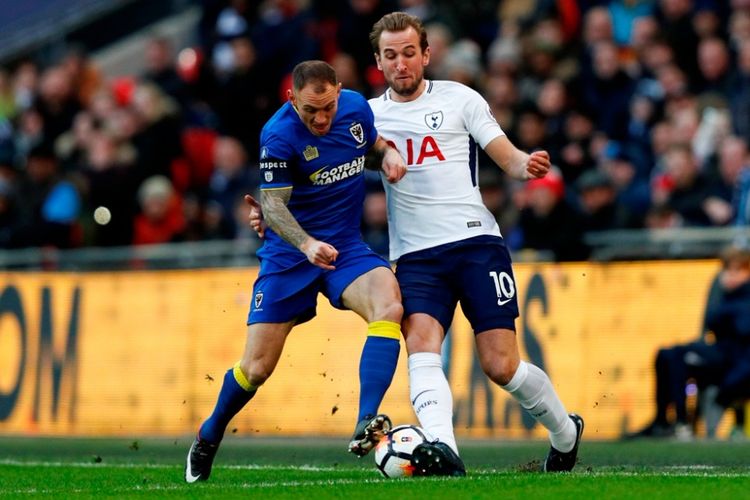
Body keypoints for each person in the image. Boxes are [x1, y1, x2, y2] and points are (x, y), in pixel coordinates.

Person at [249, 13, 583, 476]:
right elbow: (308, 178)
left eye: (409, 53)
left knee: (501, 365)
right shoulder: (359, 114)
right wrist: (266, 214)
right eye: (391, 56)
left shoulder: (460, 98)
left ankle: (566, 432)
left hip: (475, 243)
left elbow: (503, 153)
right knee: (422, 345)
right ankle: (446, 452)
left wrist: (526, 163)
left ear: (425, 54)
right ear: (378, 62)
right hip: (414, 255)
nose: (401, 63)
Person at [185, 60, 407, 483]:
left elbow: (371, 149)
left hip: (345, 247)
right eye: (310, 111)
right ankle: (209, 434)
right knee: (256, 368)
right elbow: (272, 206)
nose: (321, 118)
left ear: (340, 92)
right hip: (289, 256)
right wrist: (305, 244)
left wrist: (389, 152)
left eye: (328, 107)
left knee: (389, 303)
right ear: (292, 99)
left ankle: (366, 421)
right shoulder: (279, 134)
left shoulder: (358, 109)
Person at [629, 245, 750, 440]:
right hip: (723, 353)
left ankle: (682, 422)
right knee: (665, 354)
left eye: (737, 270)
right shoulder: (726, 295)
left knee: (679, 356)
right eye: (727, 270)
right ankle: (662, 419)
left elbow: (739, 331)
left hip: (734, 360)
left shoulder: (742, 297)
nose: (729, 276)